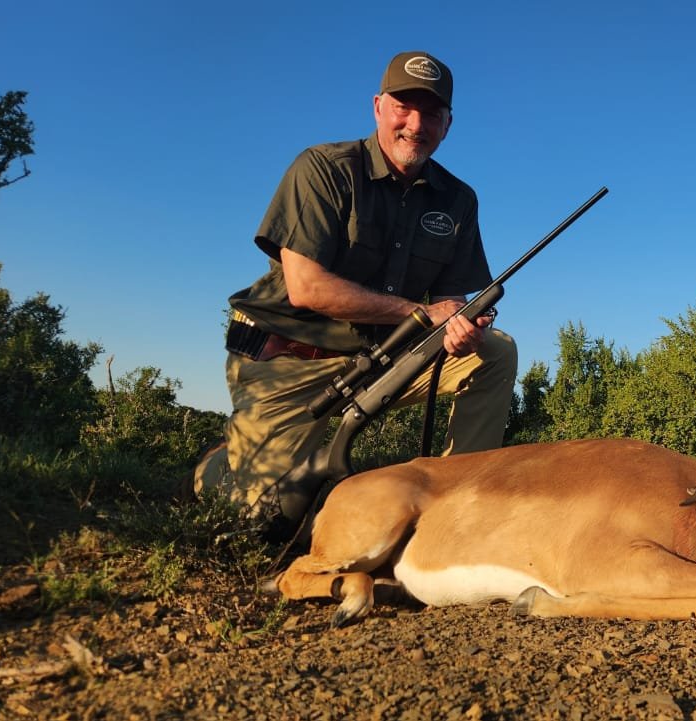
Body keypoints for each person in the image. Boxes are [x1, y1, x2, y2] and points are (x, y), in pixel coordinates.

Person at [194, 51, 517, 528]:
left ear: (448, 123)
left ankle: (459, 510)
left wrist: (461, 326)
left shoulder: (459, 199)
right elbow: (306, 289)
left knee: (495, 352)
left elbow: (451, 303)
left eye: (431, 113)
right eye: (404, 107)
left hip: (382, 357)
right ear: (378, 107)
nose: (416, 124)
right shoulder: (324, 168)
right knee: (258, 519)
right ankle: (216, 467)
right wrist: (422, 314)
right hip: (289, 360)